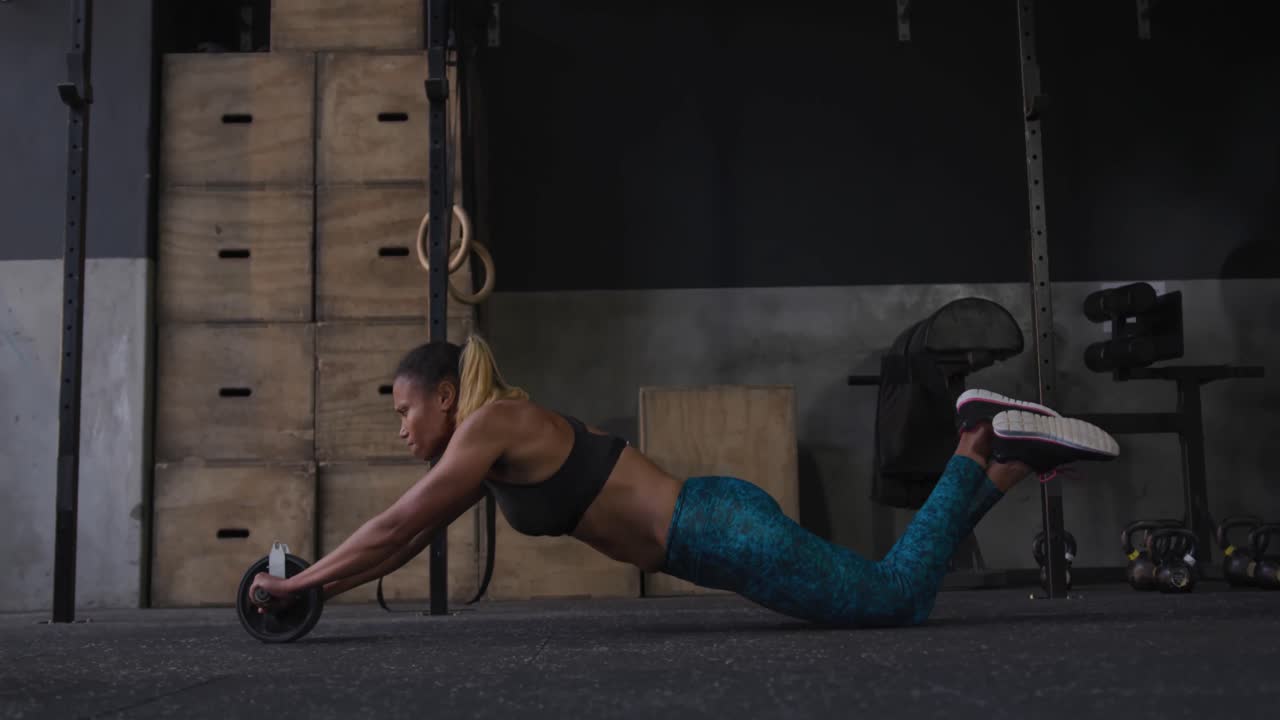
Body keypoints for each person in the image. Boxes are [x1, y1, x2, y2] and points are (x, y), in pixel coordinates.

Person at [250, 335, 1119, 628]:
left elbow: (399, 524)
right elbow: (406, 541)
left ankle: (975, 434)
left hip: (723, 534)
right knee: (901, 598)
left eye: (404, 412)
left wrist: (298, 584)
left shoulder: (491, 426)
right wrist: (317, 589)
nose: (402, 429)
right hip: (719, 522)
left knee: (895, 600)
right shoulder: (489, 443)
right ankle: (1011, 461)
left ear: (446, 397)